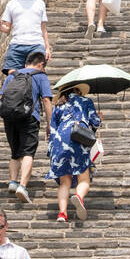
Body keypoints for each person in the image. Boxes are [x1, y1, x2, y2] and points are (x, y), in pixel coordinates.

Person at [0, 49, 53, 204]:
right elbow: (47, 101)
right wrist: (50, 124)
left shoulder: (12, 76)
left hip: (9, 117)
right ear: (41, 64)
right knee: (28, 152)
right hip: (29, 117)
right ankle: (22, 186)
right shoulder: (40, 76)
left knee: (15, 152)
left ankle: (13, 182)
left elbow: (0, 99)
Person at [48, 83, 102, 222]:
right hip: (79, 140)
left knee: (64, 182)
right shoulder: (86, 101)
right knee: (83, 178)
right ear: (79, 90)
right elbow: (95, 122)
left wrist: (51, 152)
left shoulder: (58, 105)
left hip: (60, 142)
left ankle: (62, 214)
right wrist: (99, 117)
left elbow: (52, 130)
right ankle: (78, 196)